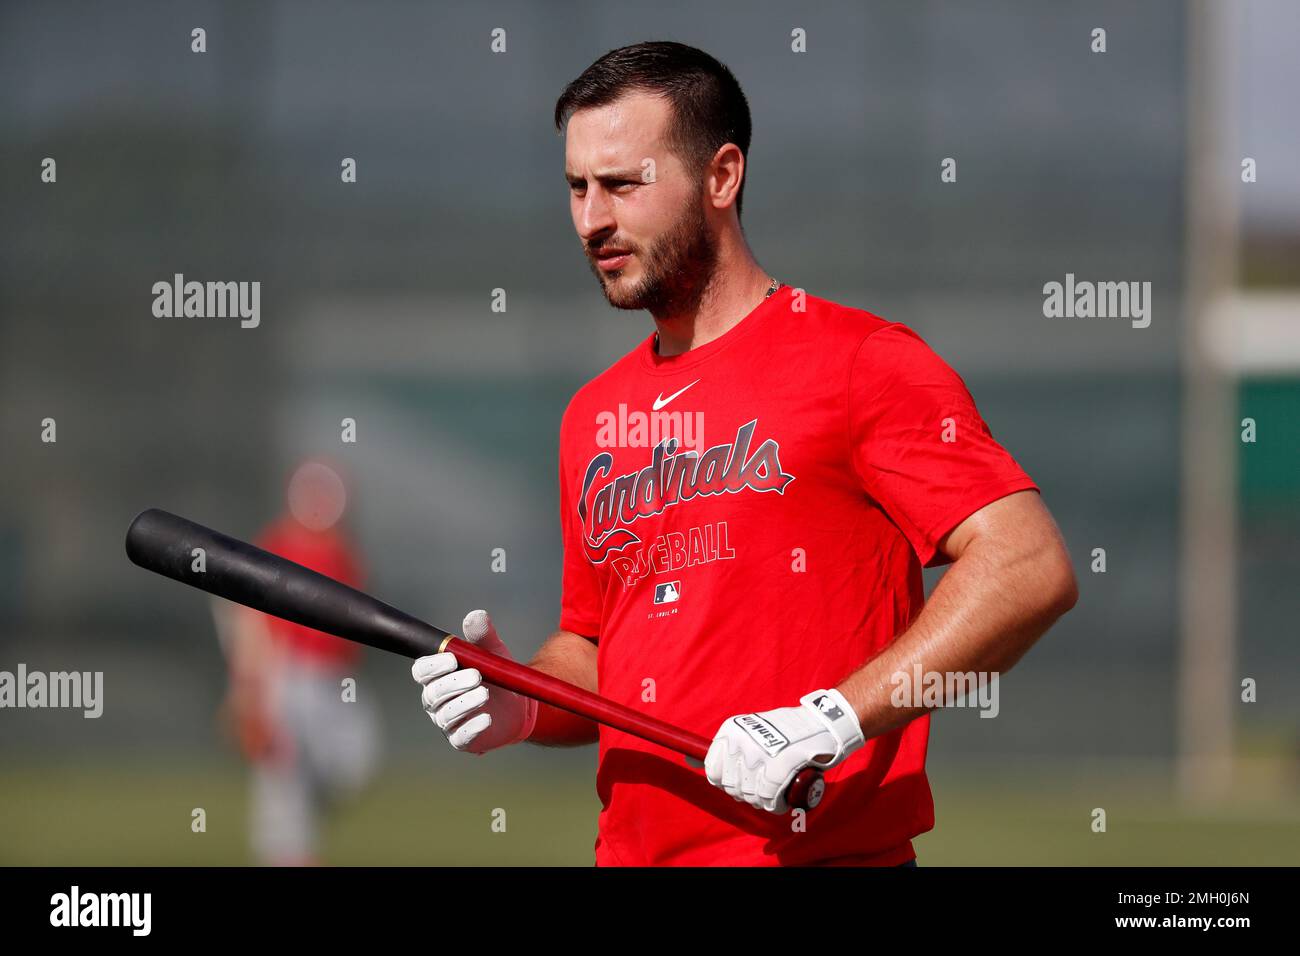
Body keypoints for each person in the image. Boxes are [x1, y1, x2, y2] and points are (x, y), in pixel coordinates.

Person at [411, 41, 1077, 866]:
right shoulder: (593, 415)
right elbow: (593, 650)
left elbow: (1028, 564)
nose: (592, 220)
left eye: (623, 184)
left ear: (722, 177)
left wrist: (833, 718)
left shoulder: (862, 361)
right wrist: (525, 702)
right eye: (578, 188)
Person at [213, 459, 379, 865]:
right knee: (283, 793)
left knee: (356, 761)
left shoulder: (344, 552)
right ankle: (291, 849)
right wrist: (249, 688)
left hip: (335, 682)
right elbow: (243, 614)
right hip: (286, 676)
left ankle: (302, 822)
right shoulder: (277, 544)